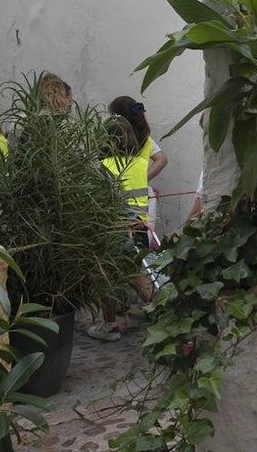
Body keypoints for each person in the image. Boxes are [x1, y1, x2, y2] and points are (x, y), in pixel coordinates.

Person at [90, 116, 155, 342]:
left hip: (115, 230)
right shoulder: (140, 163)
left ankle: (109, 326)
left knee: (106, 275)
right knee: (137, 274)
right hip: (140, 228)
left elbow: (100, 202)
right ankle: (163, 310)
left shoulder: (102, 167)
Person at [110, 96, 169, 236]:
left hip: (118, 200)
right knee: (143, 239)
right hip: (142, 202)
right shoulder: (145, 139)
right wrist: (143, 178)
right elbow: (162, 159)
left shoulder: (113, 139)